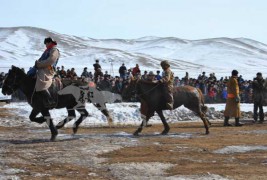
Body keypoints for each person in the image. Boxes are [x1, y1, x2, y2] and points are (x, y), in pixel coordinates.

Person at [35, 37, 60, 108]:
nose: (45, 45)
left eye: (46, 43)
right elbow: (41, 59)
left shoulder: (54, 50)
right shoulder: (47, 50)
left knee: (41, 74)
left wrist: (39, 64)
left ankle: (50, 99)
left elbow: (50, 61)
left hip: (50, 68)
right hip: (44, 66)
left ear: (49, 43)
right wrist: (37, 63)